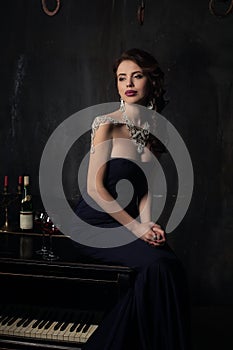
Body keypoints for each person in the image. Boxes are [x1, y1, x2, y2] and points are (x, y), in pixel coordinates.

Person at [72, 48, 191, 350]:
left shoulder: (153, 129)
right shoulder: (106, 123)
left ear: (150, 81)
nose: (128, 82)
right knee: (157, 267)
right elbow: (96, 188)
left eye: (136, 75)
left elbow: (147, 186)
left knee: (169, 263)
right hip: (93, 223)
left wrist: (148, 222)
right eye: (121, 77)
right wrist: (135, 228)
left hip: (125, 224)